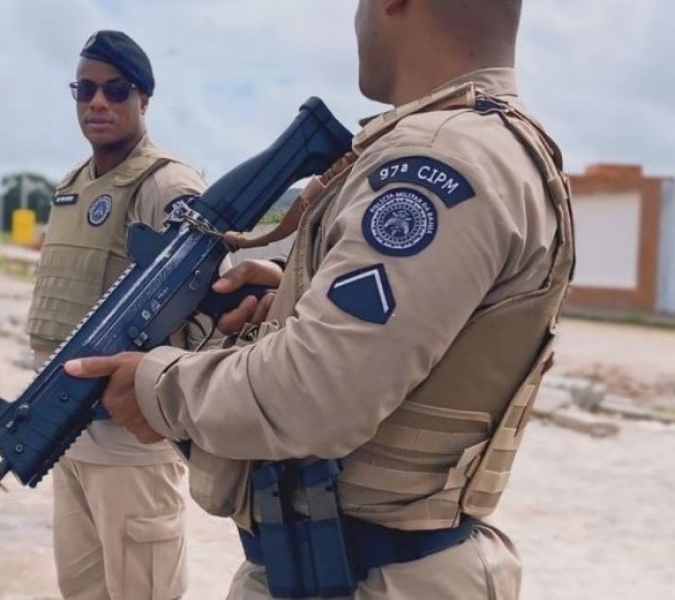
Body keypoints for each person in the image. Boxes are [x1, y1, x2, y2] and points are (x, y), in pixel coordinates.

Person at [65, 1, 575, 598]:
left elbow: (314, 393)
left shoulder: (436, 160)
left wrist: (155, 386)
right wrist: (298, 294)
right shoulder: (484, 143)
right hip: (351, 560)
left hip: (362, 571)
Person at [26, 29, 205, 600]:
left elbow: (206, 315)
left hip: (131, 446)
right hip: (67, 440)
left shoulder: (166, 185)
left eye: (116, 89)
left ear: (143, 99)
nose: (97, 103)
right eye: (85, 90)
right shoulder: (72, 186)